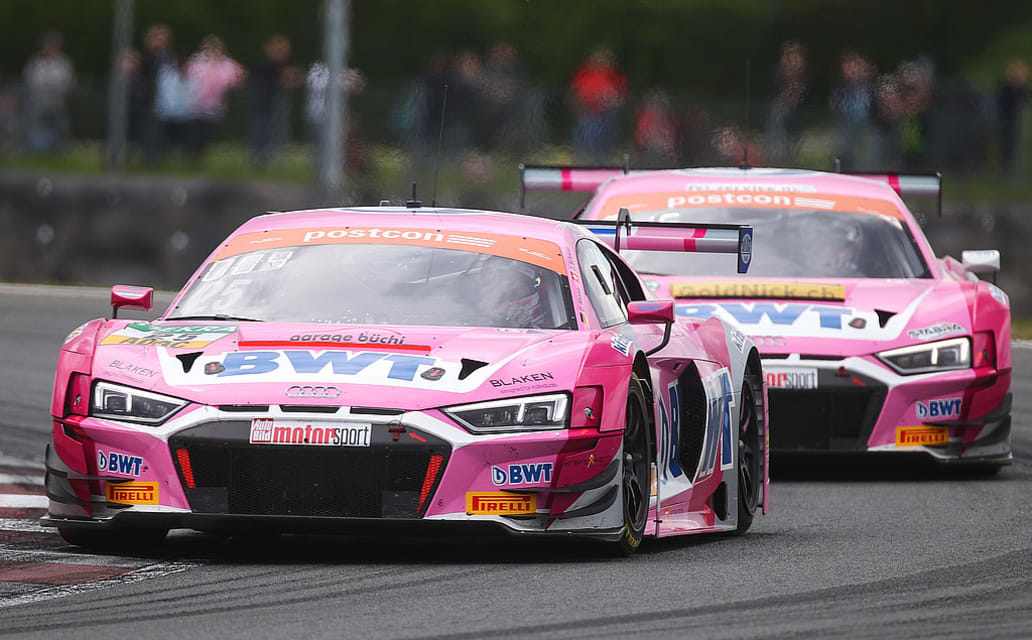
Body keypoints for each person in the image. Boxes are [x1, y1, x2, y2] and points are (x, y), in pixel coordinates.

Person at [186, 35, 245, 158]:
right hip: (196, 102)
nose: (212, 51)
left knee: (210, 130)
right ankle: (194, 154)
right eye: (209, 48)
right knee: (196, 129)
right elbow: (186, 77)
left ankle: (204, 152)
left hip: (217, 103)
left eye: (216, 48)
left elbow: (239, 78)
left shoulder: (228, 64)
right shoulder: (195, 62)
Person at [250, 35, 301, 167]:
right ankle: (259, 156)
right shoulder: (264, 64)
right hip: (263, 102)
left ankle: (275, 156)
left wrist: (290, 77)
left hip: (279, 102)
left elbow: (292, 81)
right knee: (261, 129)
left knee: (280, 130)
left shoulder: (285, 64)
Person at [570, 47, 627, 162]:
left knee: (603, 149)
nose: (600, 61)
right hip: (587, 116)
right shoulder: (584, 74)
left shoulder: (614, 76)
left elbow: (621, 96)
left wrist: (613, 102)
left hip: (607, 117)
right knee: (586, 147)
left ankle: (601, 164)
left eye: (604, 58)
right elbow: (576, 94)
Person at [23, 31, 75, 154]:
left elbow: (68, 81)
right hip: (39, 99)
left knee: (60, 126)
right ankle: (35, 149)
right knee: (37, 124)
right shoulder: (37, 63)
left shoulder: (63, 63)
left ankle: (59, 150)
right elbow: (31, 80)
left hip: (58, 100)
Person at [130, 25, 175, 162]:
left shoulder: (169, 57)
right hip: (148, 98)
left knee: (160, 128)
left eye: (162, 39)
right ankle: (148, 157)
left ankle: (158, 155)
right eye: (156, 39)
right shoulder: (145, 57)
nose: (159, 42)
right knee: (148, 127)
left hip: (166, 97)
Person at [829, 51, 873, 170]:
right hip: (844, 143)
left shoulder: (872, 92)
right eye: (847, 65)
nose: (851, 69)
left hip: (865, 143)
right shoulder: (838, 92)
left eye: (855, 64)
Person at [765, 40, 807, 165]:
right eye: (789, 56)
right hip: (780, 127)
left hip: (797, 129)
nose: (793, 60)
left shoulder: (806, 84)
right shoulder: (776, 82)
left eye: (796, 55)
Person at [154, 57, 197, 157]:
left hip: (185, 115)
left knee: (188, 129)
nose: (183, 68)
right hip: (168, 113)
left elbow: (194, 97)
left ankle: (184, 152)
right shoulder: (168, 79)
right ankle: (165, 150)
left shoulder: (192, 80)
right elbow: (164, 96)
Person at [997, 58, 1029, 182]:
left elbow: (1025, 100)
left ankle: (1013, 170)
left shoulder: (1023, 88)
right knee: (1005, 147)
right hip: (1006, 121)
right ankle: (1005, 171)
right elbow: (1003, 103)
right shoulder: (1005, 87)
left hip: (1018, 123)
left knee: (1016, 147)